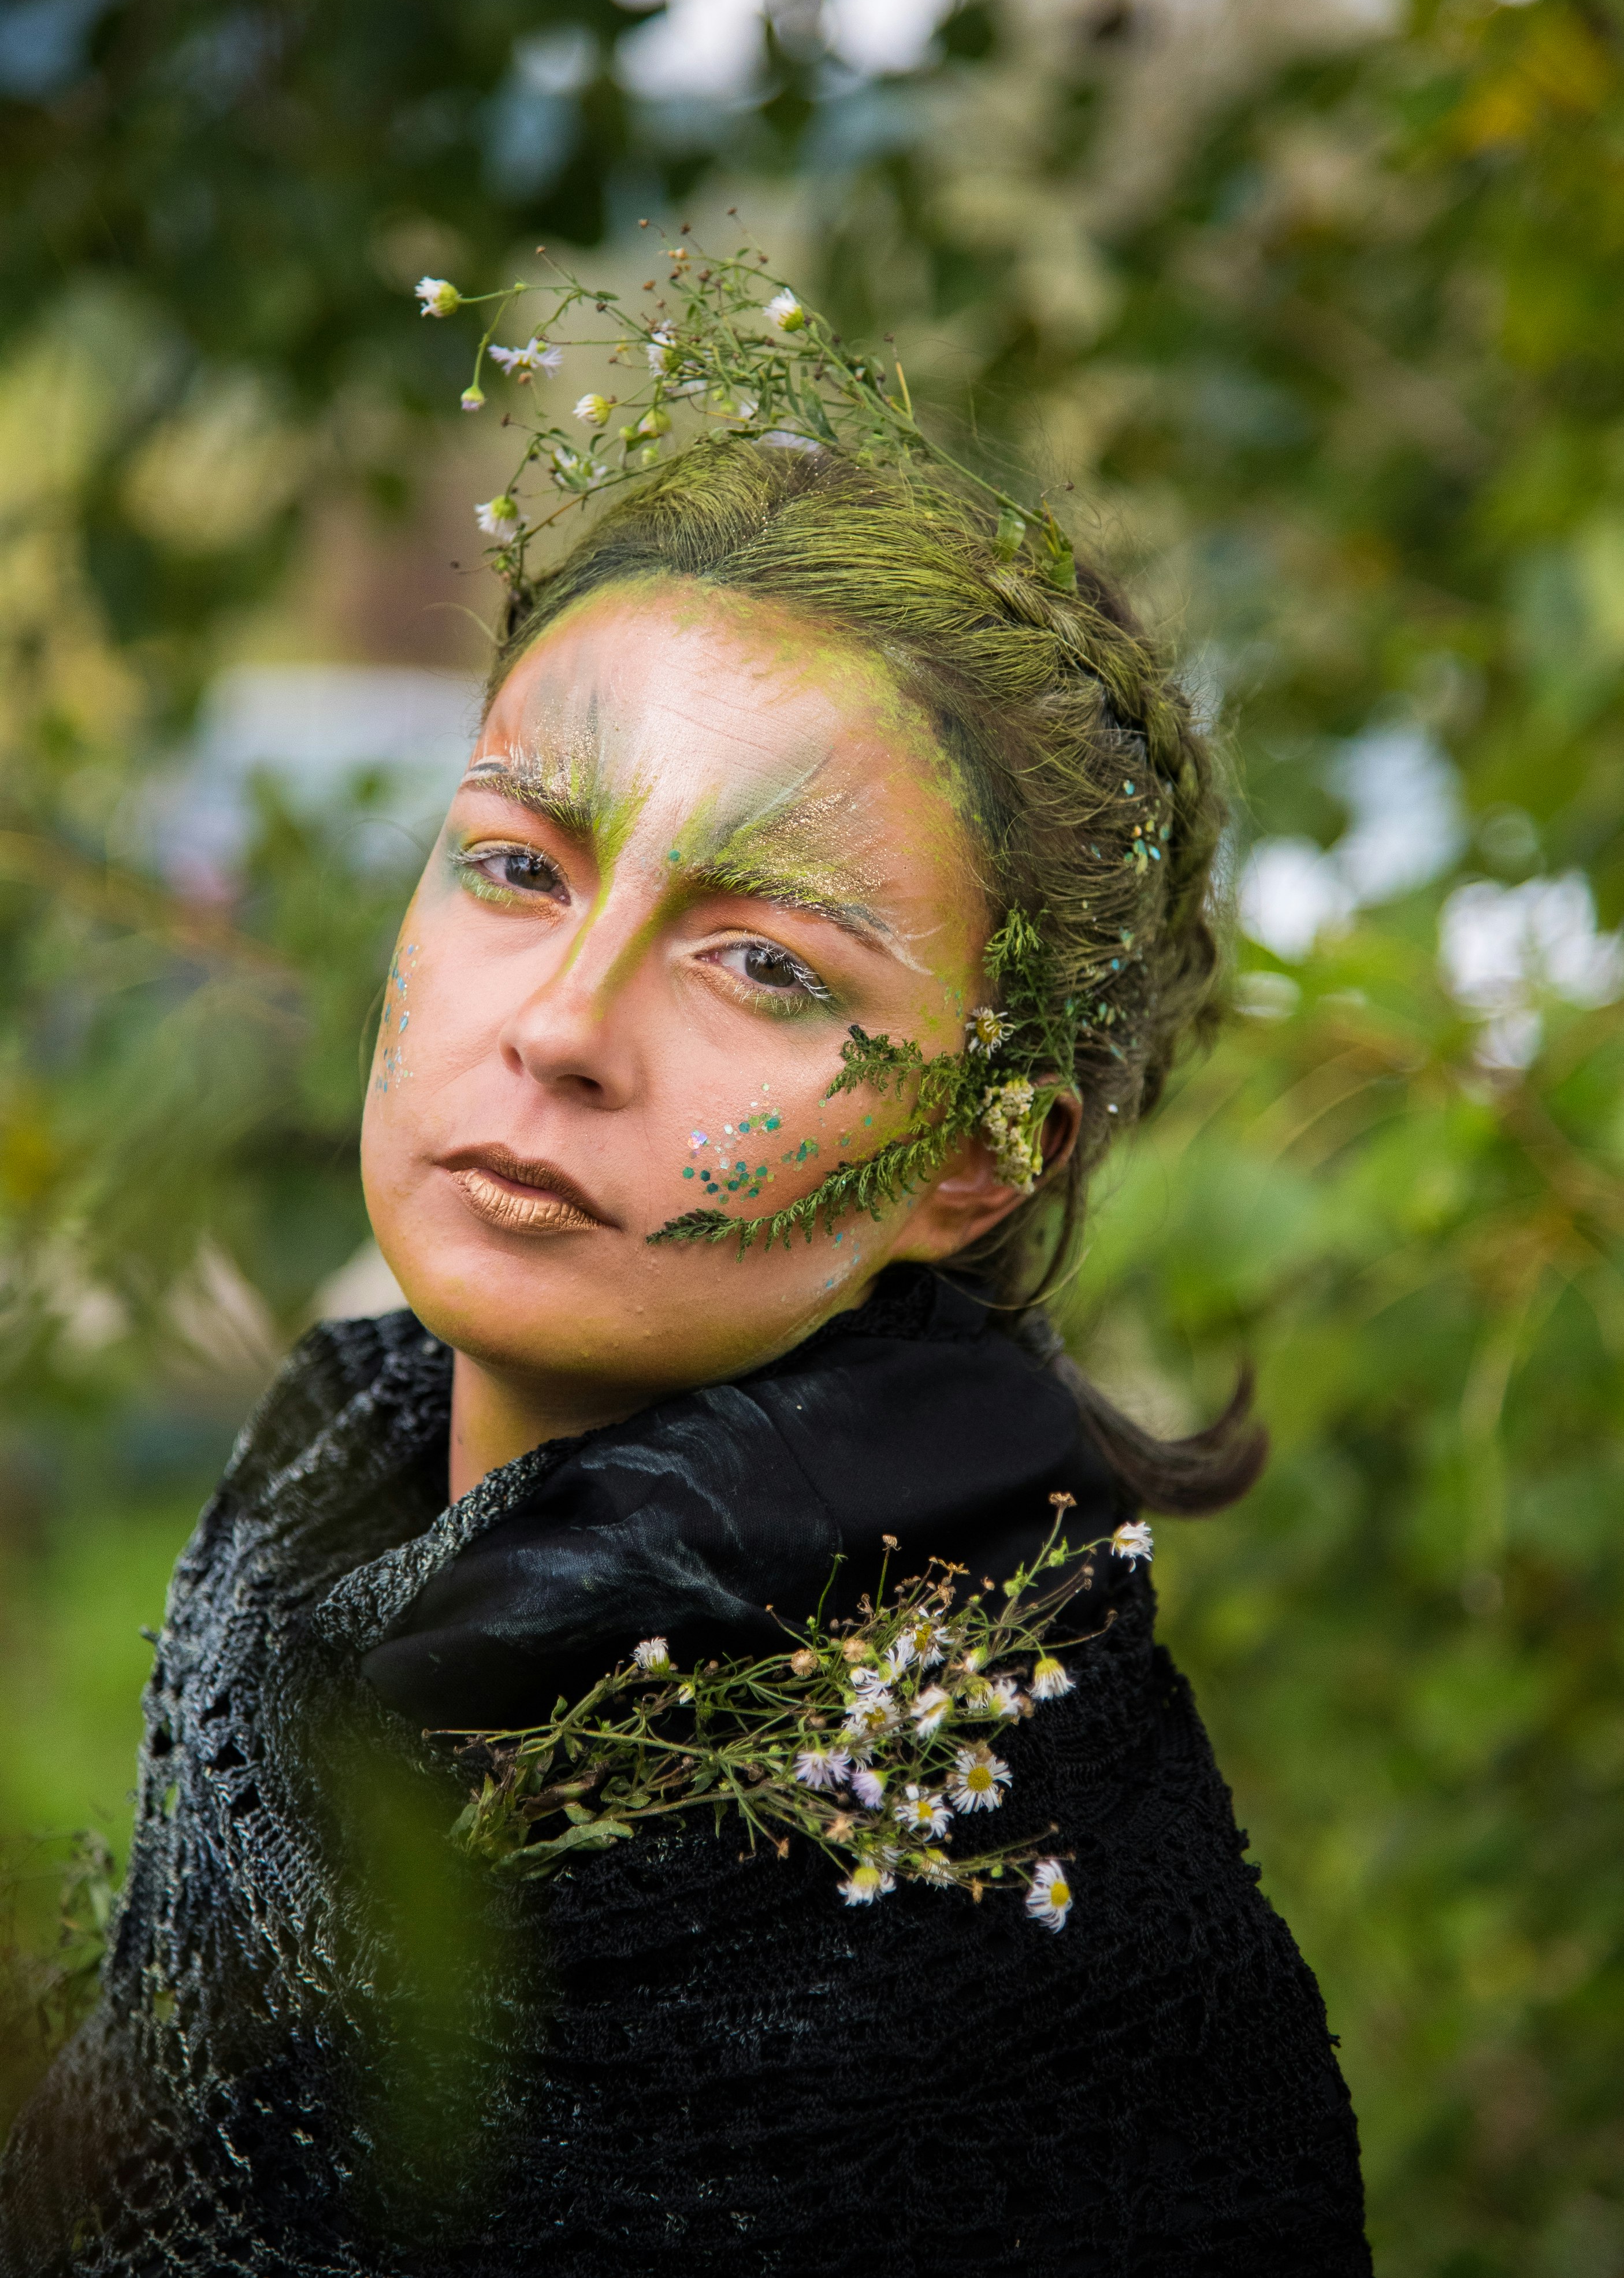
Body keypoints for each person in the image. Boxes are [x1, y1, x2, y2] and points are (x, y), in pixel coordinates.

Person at [0, 421, 1371, 2274]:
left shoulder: (996, 1899)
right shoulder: (311, 1518)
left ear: (979, 1153)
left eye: (768, 964)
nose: (563, 1023)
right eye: (515, 866)